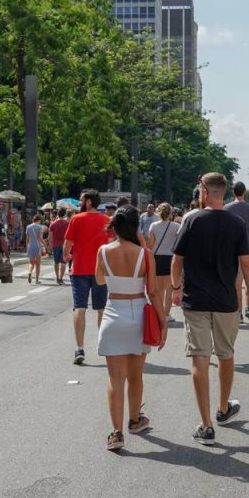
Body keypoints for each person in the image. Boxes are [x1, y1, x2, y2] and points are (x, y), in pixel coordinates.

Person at [170, 172, 249, 446]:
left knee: (199, 358)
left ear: (205, 193)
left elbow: (177, 260)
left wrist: (175, 289)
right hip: (226, 301)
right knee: (226, 354)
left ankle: (206, 426)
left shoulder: (191, 220)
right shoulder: (236, 223)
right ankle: (223, 408)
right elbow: (247, 266)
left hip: (195, 300)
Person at [95, 206, 167, 451]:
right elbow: (154, 291)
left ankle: (116, 434)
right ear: (137, 227)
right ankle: (135, 420)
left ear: (114, 227)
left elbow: (99, 280)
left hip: (113, 312)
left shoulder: (103, 251)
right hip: (137, 313)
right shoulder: (144, 254)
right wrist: (163, 321)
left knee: (115, 378)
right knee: (136, 375)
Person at [63, 189, 111, 365]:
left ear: (89, 201)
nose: (79, 202)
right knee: (101, 309)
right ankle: (104, 345)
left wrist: (67, 255)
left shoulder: (76, 219)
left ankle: (79, 348)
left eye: (81, 199)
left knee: (79, 308)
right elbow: (111, 243)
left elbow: (67, 245)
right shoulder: (106, 220)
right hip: (100, 270)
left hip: (80, 269)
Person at [224, 182, 249, 322]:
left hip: (231, 250)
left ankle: (238, 312)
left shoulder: (226, 208)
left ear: (233, 193)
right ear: (244, 193)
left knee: (237, 282)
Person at [147, 203, 179, 323]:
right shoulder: (176, 226)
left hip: (157, 258)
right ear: (170, 213)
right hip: (170, 258)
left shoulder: (153, 225)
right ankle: (166, 314)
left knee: (159, 289)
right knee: (169, 289)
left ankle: (158, 313)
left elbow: (150, 245)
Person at [48, 208, 70, 285]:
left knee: (56, 262)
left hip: (55, 245)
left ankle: (57, 277)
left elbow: (50, 236)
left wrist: (49, 245)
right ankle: (61, 278)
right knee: (63, 262)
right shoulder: (67, 223)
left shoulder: (53, 224)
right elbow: (69, 236)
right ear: (64, 214)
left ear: (57, 214)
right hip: (65, 244)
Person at [25, 215, 47, 284]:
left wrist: (27, 247)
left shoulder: (28, 227)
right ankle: (37, 280)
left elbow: (27, 239)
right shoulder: (40, 227)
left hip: (30, 246)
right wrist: (45, 245)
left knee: (31, 263)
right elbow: (40, 238)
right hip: (38, 246)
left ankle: (29, 272)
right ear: (39, 220)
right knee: (38, 264)